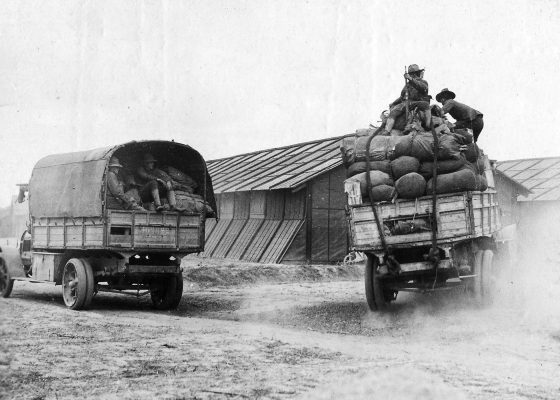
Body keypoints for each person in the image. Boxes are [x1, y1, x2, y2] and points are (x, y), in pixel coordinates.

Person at [384, 64, 431, 134]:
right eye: (411, 74)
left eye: (413, 74)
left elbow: (423, 88)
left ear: (416, 74)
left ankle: (428, 125)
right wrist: (393, 103)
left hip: (418, 102)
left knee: (426, 105)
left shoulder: (423, 82)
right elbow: (402, 97)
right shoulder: (407, 85)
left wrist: (411, 79)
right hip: (406, 103)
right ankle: (387, 130)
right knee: (394, 112)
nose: (412, 75)